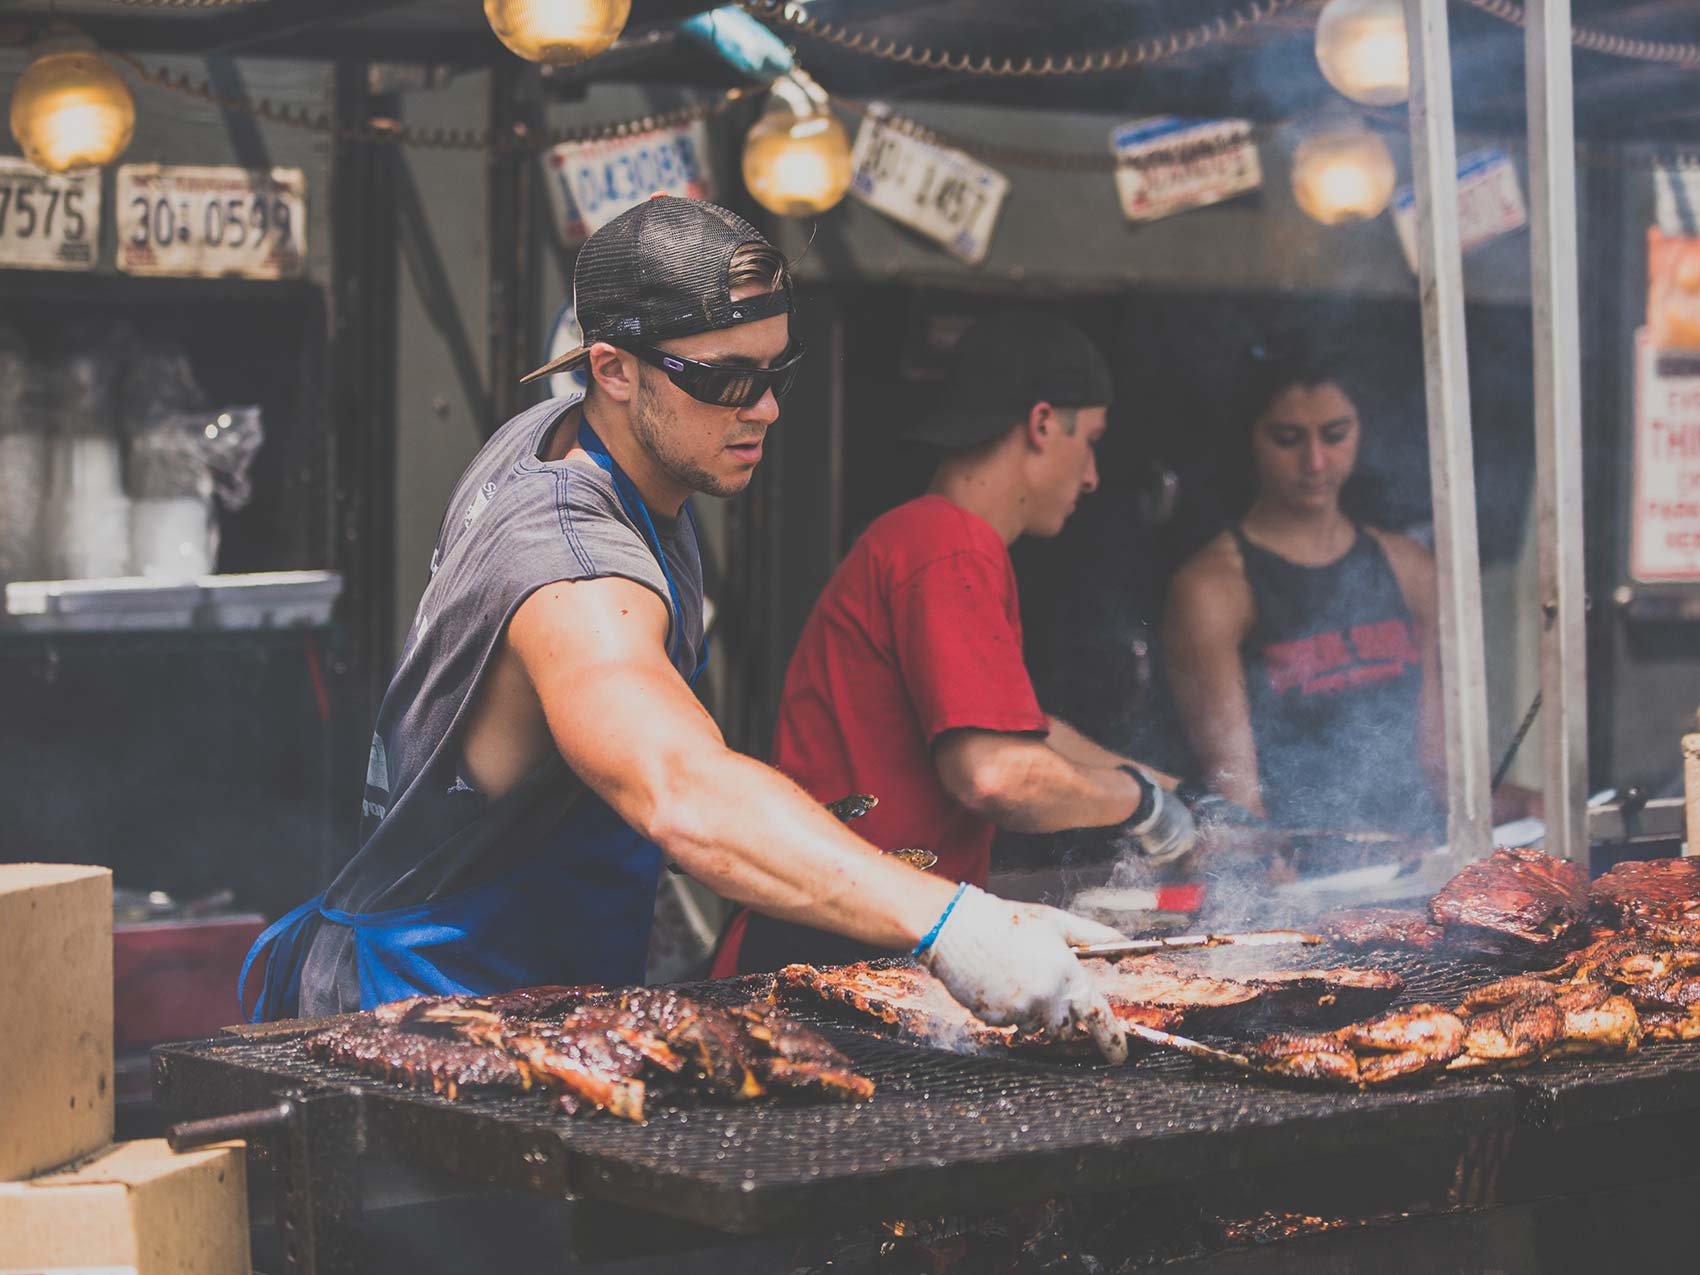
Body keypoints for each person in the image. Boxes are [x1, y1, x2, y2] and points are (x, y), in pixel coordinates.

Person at [240, 198, 1130, 1062]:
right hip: (429, 1015)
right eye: (726, 379)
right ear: (613, 368)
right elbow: (680, 788)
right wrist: (952, 921)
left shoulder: (574, 434)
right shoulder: (575, 566)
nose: (766, 409)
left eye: (776, 373)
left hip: (538, 999)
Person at [718, 309, 1197, 975]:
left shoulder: (930, 538)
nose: (1092, 476)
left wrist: (1185, 793)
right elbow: (997, 774)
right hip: (831, 951)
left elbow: (1028, 734)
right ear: (1040, 424)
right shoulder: (948, 544)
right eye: (1090, 440)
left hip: (850, 940)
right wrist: (1143, 805)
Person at [1163, 342, 1537, 844]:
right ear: (1251, 440)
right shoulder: (1214, 588)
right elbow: (1236, 799)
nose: (1315, 461)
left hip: (1416, 860)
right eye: (1288, 439)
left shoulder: (1409, 568)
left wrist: (1531, 804)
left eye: (1335, 435)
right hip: (1300, 873)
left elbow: (1438, 768)